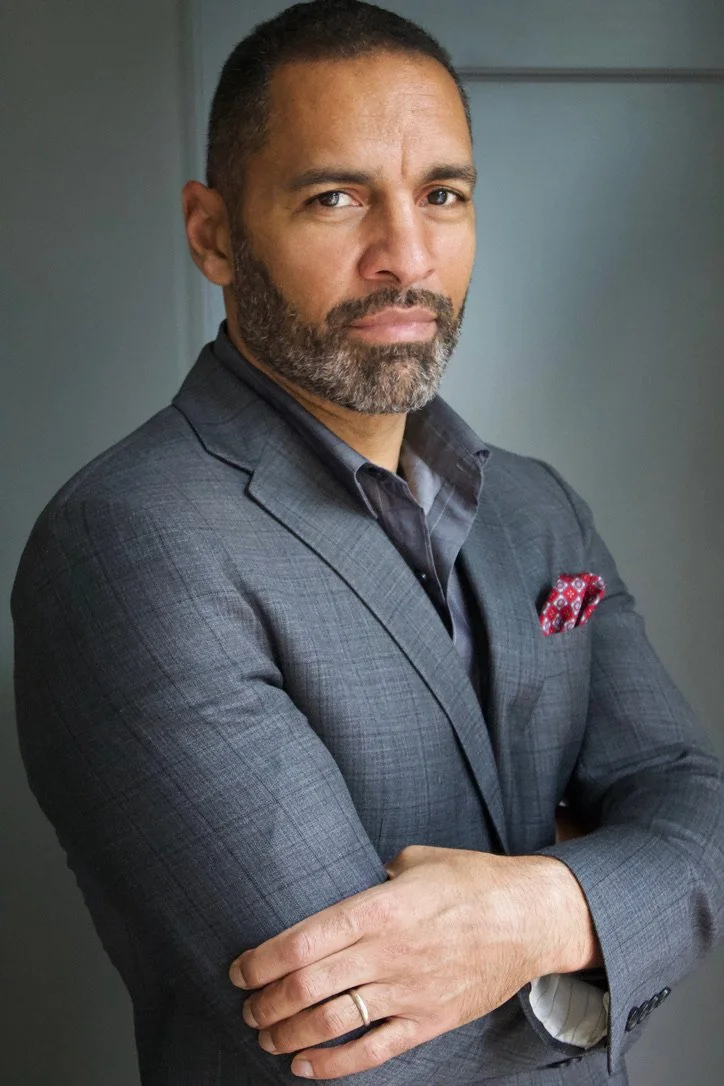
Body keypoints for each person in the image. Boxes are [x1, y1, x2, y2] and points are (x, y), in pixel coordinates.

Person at [11, 2, 723, 1084]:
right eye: (335, 197)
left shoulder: (538, 509)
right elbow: (355, 1042)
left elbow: (699, 807)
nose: (404, 256)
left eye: (442, 195)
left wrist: (538, 911)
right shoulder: (128, 541)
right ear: (213, 232)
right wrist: (619, 913)